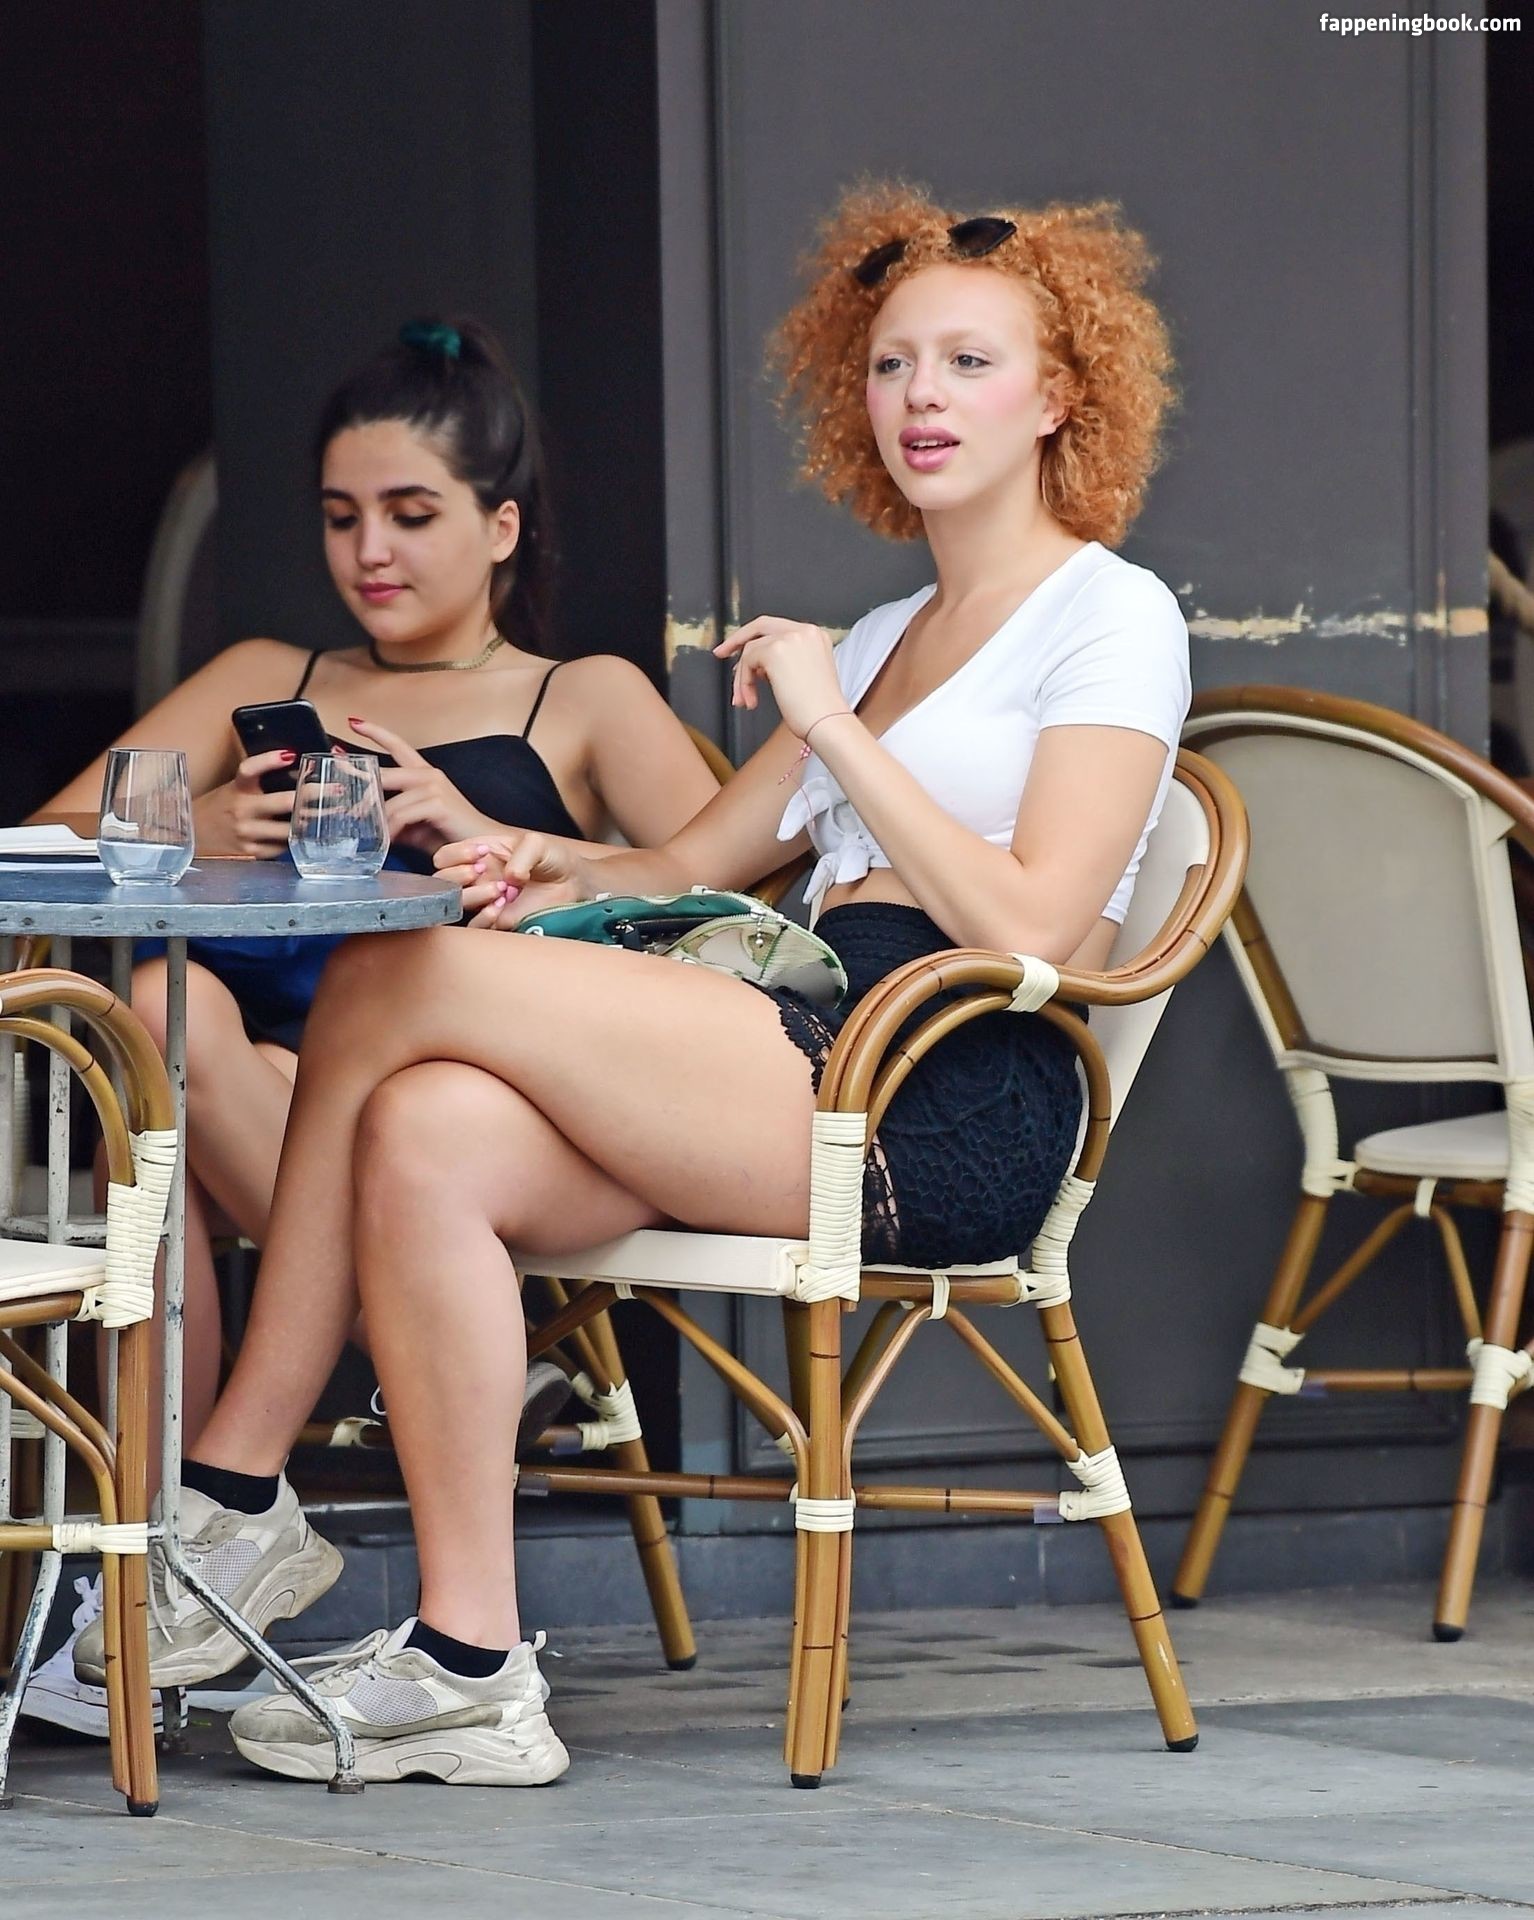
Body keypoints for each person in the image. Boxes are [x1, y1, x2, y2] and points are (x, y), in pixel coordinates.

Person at [82, 184, 1191, 1787]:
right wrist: (519, 852)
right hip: (796, 1030)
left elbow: (1033, 919)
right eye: (890, 364)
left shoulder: (1109, 614)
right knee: (428, 1126)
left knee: (391, 984)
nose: (921, 398)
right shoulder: (888, 629)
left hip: (932, 1086)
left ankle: (236, 1490)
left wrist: (831, 723)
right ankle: (473, 1663)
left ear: (1058, 395)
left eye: (968, 363)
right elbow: (680, 864)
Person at [22, 317, 717, 1739]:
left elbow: (723, 901)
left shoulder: (579, 697)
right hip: (254, 1089)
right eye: (342, 517)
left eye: (410, 514)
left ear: (500, 526)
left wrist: (507, 843)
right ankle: (185, 1534)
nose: (370, 552)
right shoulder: (272, 672)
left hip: (466, 1114)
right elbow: (51, 833)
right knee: (156, 1033)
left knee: (164, 1114)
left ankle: (184, 1552)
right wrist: (206, 822)